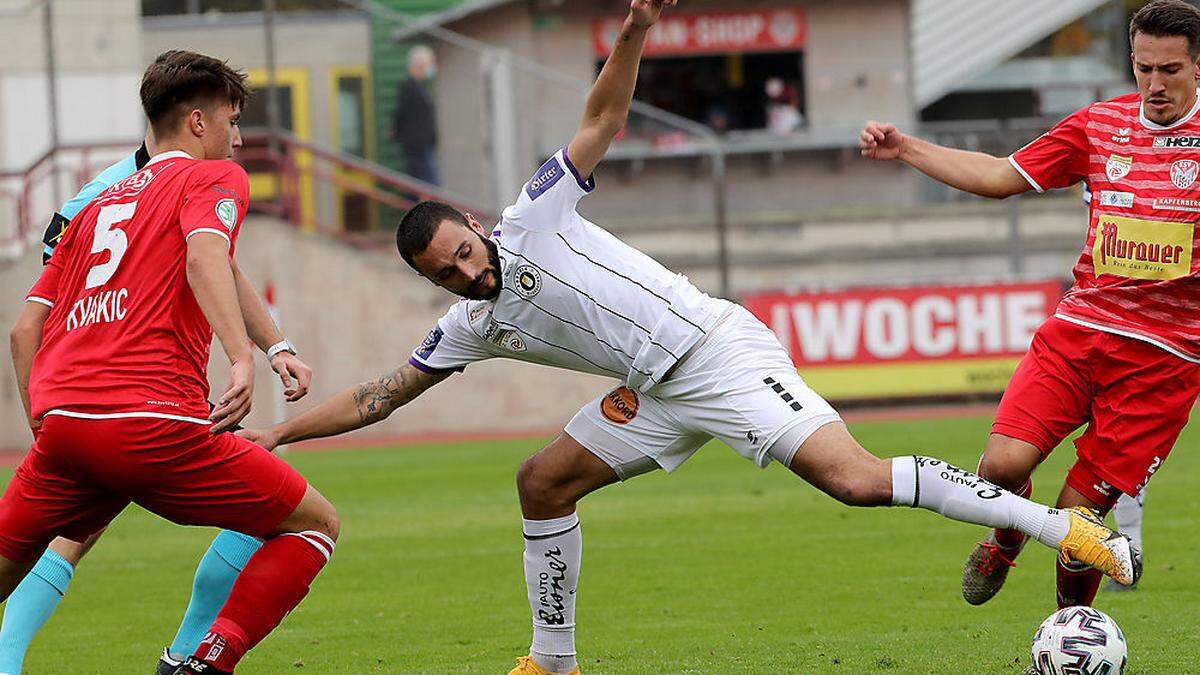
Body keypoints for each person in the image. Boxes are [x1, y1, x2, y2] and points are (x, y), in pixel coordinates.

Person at [240, 3, 1136, 674]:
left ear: (475, 226)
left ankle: (1060, 526)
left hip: (718, 352)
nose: (468, 274)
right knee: (541, 482)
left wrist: (630, 31)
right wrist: (280, 430)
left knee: (855, 481)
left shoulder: (535, 215)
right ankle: (552, 659)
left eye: (464, 254)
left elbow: (601, 122)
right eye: (446, 274)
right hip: (654, 390)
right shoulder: (474, 322)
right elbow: (380, 393)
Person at [2, 50, 337, 675]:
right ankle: (201, 661)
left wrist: (277, 345)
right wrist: (242, 358)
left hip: (65, 423)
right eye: (232, 121)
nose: (239, 139)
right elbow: (206, 257)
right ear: (199, 123)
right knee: (313, 523)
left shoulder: (93, 206)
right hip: (151, 421)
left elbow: (25, 330)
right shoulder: (212, 180)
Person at [858, 0, 1199, 609]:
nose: (1153, 84)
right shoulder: (1099, 125)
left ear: (1198, 66)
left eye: (1169, 70)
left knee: (1079, 519)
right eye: (1142, 68)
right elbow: (999, 175)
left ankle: (1072, 629)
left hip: (1165, 360)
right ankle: (1005, 538)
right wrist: (907, 147)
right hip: (1080, 332)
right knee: (999, 467)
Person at [392, 44, 440, 185]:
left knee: (427, 184)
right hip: (417, 146)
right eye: (429, 63)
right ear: (419, 65)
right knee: (428, 184)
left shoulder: (422, 87)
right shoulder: (408, 88)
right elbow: (400, 114)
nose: (431, 68)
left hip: (424, 144)